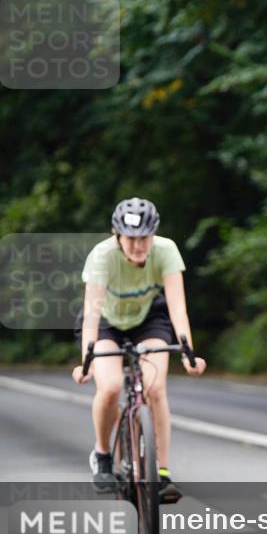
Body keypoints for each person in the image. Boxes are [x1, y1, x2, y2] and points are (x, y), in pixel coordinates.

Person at [72, 198, 207, 498]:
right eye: (131, 239)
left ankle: (161, 472)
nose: (138, 246)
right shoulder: (101, 257)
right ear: (116, 234)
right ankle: (103, 455)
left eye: (144, 237)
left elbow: (177, 308)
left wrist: (188, 353)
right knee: (109, 387)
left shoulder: (166, 250)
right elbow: (92, 314)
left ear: (154, 234)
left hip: (148, 319)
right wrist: (87, 361)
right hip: (107, 322)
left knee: (155, 388)